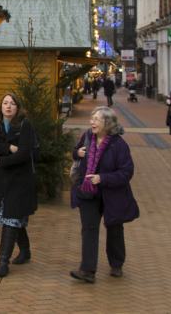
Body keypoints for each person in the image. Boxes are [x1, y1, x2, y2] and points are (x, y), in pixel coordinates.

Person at [70, 107, 139, 283]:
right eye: (91, 118)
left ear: (107, 124)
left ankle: (116, 264)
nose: (92, 122)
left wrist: (102, 178)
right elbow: (75, 154)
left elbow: (126, 172)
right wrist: (77, 153)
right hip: (88, 192)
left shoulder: (119, 145)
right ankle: (87, 270)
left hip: (112, 194)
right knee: (89, 229)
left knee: (114, 229)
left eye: (96, 119)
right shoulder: (87, 137)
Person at [0, 92, 38, 278]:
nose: (8, 106)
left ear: (18, 107)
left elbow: (23, 154)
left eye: (12, 103)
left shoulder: (25, 125)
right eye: (5, 103)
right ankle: (26, 250)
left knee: (10, 217)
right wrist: (7, 148)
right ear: (1, 106)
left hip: (20, 180)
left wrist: (0, 161)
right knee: (13, 217)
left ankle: (3, 262)